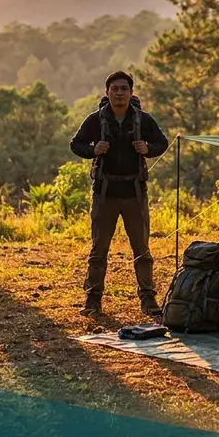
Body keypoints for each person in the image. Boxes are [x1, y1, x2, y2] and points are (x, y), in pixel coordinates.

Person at [69, 71, 169, 317]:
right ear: (107, 92)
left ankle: (148, 299)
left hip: (135, 193)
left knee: (142, 250)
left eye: (124, 89)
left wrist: (148, 149)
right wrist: (94, 150)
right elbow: (75, 144)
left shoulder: (143, 120)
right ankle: (93, 300)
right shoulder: (95, 120)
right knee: (99, 249)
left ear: (131, 92)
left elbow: (162, 143)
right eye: (115, 89)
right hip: (105, 193)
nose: (119, 93)